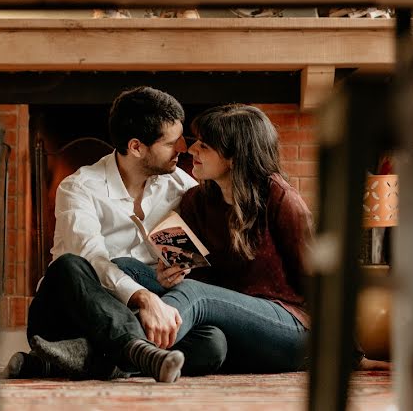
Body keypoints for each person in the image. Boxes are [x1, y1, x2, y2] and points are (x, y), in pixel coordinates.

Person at [114, 103, 391, 373]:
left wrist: (353, 354)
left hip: (290, 328)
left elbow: (318, 280)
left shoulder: (280, 199)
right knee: (126, 267)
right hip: (231, 322)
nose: (191, 149)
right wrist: (171, 276)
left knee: (197, 296)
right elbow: (203, 280)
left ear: (235, 157)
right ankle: (139, 350)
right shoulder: (195, 201)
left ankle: (122, 350)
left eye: (204, 146)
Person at [5, 86, 227, 382]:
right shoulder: (79, 187)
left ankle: (60, 362)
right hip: (71, 315)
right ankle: (136, 351)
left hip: (145, 312)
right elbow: (93, 259)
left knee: (213, 343)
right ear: (136, 147)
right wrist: (145, 299)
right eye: (172, 142)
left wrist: (174, 273)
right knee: (69, 265)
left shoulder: (179, 185)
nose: (183, 149)